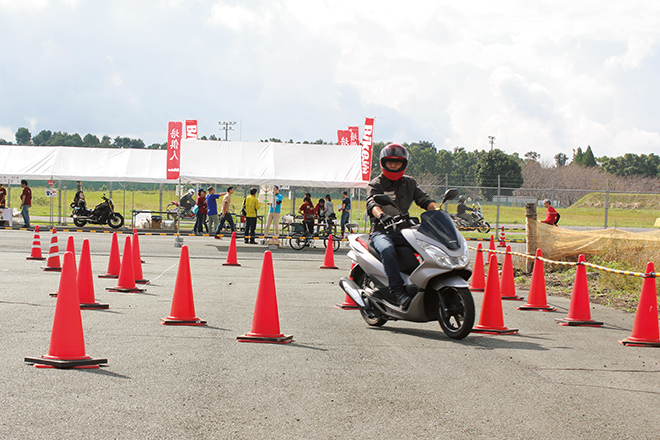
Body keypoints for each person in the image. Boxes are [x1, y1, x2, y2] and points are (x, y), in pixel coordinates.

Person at [367, 143, 437, 310]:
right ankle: (398, 292)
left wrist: (438, 211)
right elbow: (372, 203)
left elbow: (424, 200)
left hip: (404, 231)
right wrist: (382, 215)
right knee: (388, 249)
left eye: (397, 162)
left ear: (403, 164)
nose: (393, 165)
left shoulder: (409, 183)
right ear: (383, 162)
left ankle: (424, 286)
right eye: (390, 162)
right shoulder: (376, 184)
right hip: (381, 231)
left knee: (428, 247)